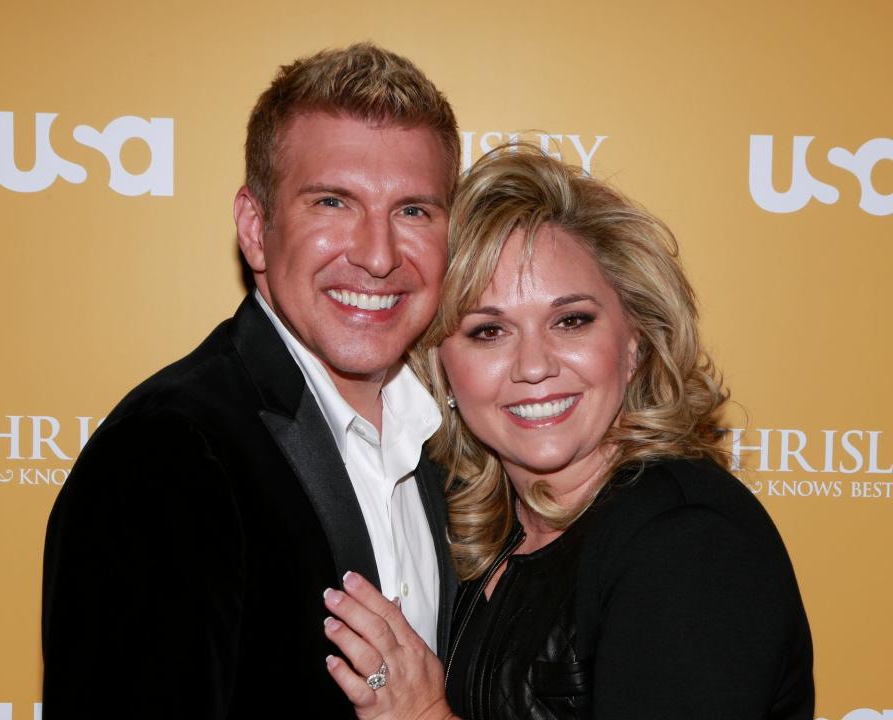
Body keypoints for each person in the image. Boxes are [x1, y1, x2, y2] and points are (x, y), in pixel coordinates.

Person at [41, 44, 462, 719]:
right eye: (332, 201)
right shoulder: (169, 453)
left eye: (413, 211)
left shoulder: (455, 444)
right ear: (255, 228)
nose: (378, 255)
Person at [321, 146, 815, 720]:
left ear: (633, 344)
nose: (534, 365)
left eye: (571, 320)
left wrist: (425, 714)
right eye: (488, 331)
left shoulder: (687, 541)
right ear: (441, 369)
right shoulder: (476, 540)